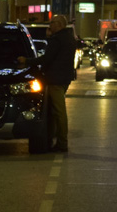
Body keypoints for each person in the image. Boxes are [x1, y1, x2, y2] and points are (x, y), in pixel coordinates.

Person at [31, 14, 79, 153]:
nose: (49, 25)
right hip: (64, 78)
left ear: (58, 24)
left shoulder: (57, 39)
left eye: (52, 23)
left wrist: (27, 61)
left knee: (59, 111)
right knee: (56, 111)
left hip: (55, 79)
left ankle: (62, 142)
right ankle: (55, 139)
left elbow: (47, 58)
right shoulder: (69, 38)